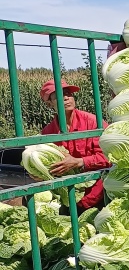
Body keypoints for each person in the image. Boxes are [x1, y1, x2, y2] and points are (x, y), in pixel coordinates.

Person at [40, 79, 108, 212]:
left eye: (68, 94)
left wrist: (79, 162)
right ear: (49, 104)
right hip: (68, 200)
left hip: (101, 198)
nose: (66, 98)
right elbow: (47, 168)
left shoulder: (94, 123)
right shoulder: (48, 133)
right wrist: (40, 174)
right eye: (59, 95)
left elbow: (111, 156)